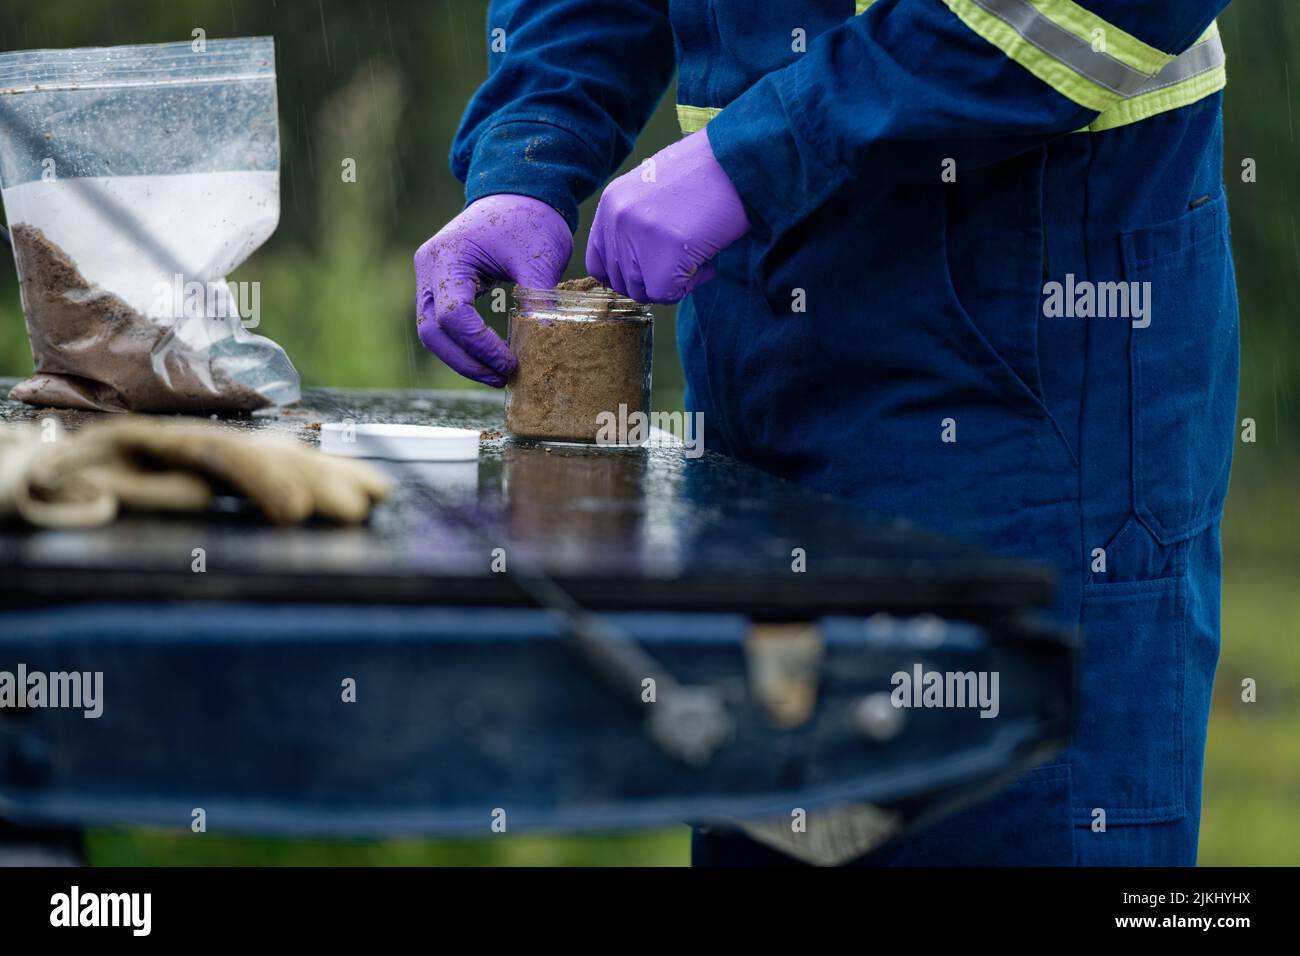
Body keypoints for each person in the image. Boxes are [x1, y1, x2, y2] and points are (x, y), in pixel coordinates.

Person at [413, 0, 1238, 866]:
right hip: (754, 343)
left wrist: (769, 148)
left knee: (1001, 805)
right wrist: (529, 147)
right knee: (773, 807)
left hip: (1032, 326)